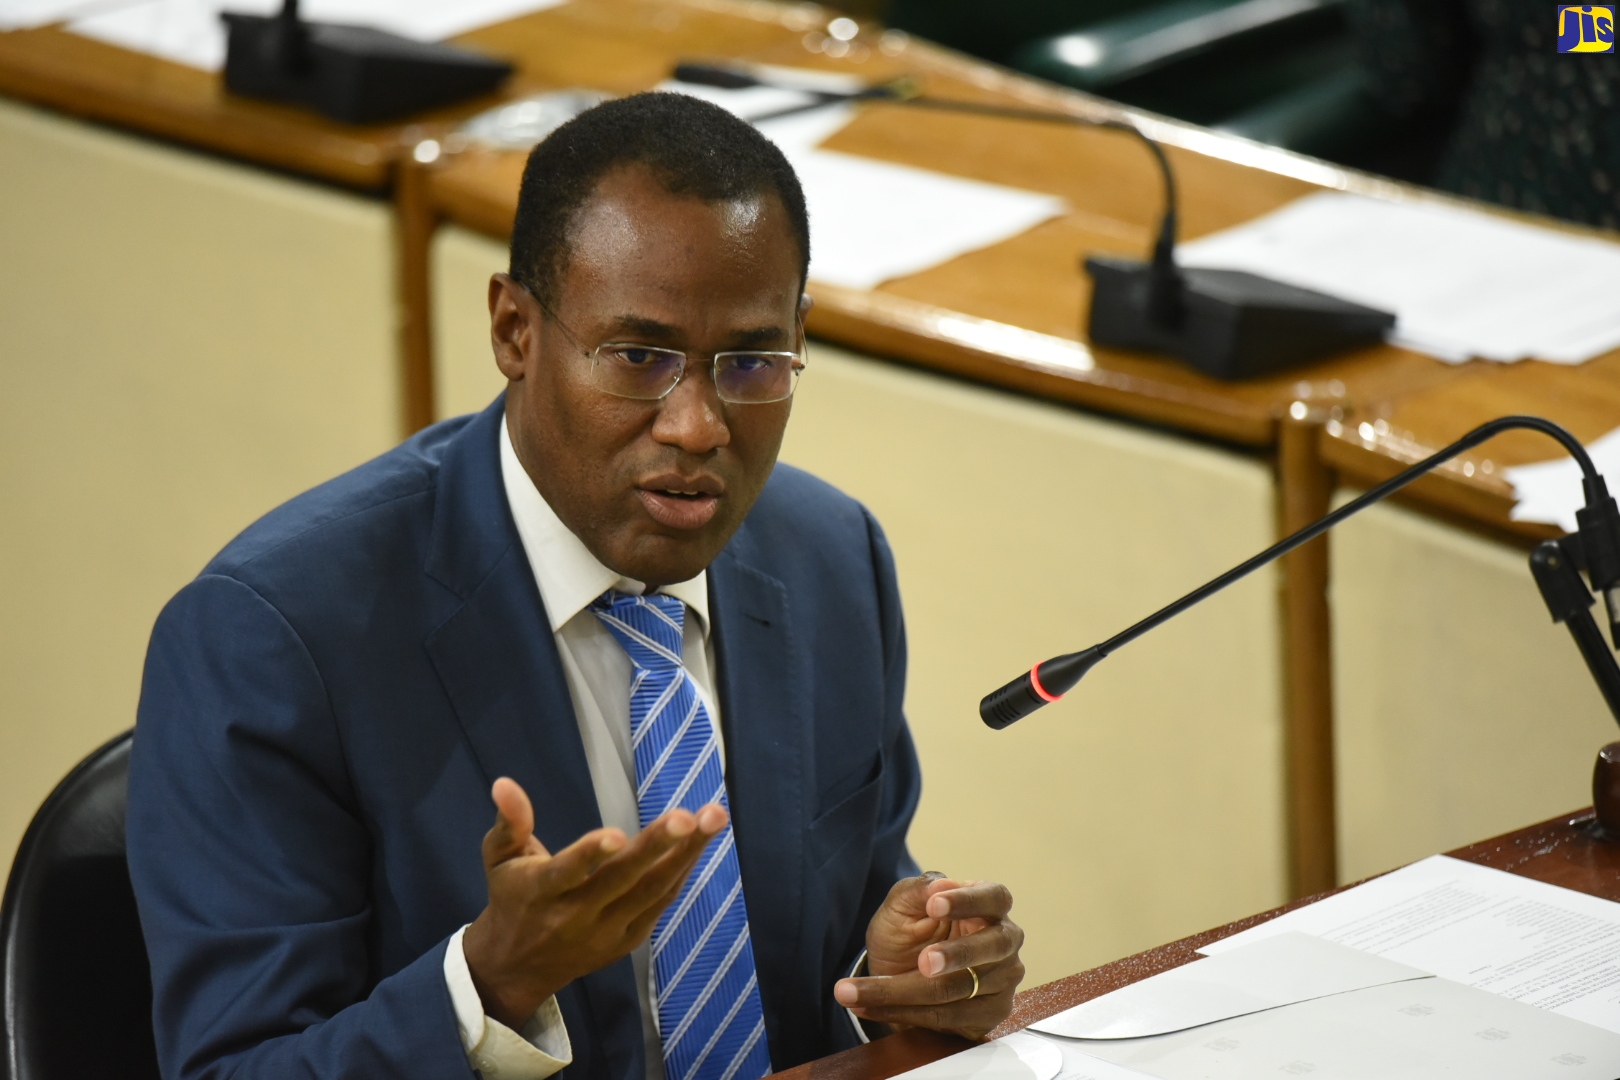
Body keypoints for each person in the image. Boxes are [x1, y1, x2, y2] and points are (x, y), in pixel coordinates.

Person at [127, 92, 1026, 1080]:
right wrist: (487, 988)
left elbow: (845, 922)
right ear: (515, 330)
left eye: (752, 362)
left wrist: (898, 976)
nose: (697, 425)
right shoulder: (275, 639)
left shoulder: (828, 558)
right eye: (640, 358)